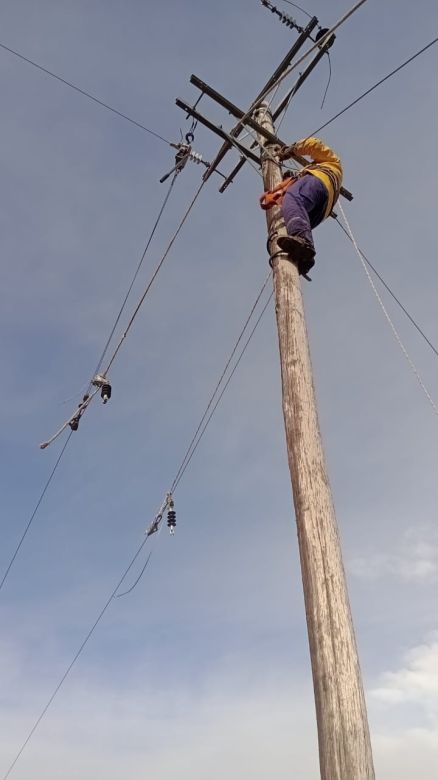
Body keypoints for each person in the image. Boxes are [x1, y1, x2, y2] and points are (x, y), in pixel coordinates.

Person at [259, 137, 343, 278]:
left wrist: (291, 150)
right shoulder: (304, 180)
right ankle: (303, 257)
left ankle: (303, 241)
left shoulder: (330, 162)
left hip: (320, 184)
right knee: (291, 207)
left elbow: (313, 144)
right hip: (319, 211)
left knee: (292, 199)